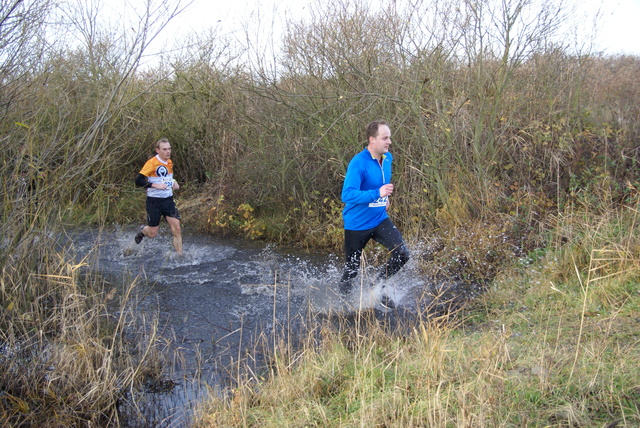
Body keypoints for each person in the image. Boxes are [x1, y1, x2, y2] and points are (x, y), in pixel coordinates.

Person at [339, 120, 409, 305]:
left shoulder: (388, 158)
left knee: (402, 254)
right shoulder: (358, 163)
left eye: (389, 137)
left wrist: (384, 199)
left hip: (379, 219)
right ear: (372, 140)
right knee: (351, 270)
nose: (389, 142)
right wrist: (377, 194)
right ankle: (345, 306)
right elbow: (347, 194)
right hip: (357, 224)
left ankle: (377, 286)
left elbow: (379, 184)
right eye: (385, 138)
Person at [134, 138, 183, 256]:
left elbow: (167, 177)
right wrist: (155, 185)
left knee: (176, 228)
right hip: (154, 201)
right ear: (158, 150)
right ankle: (143, 231)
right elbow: (138, 181)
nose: (168, 151)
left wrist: (174, 182)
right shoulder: (151, 163)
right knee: (152, 233)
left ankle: (180, 257)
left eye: (169, 149)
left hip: (168, 200)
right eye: (164, 149)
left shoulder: (169, 162)